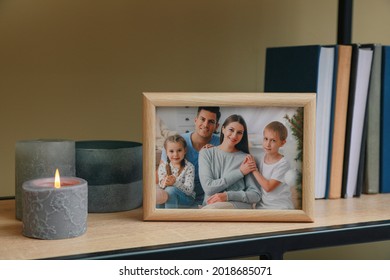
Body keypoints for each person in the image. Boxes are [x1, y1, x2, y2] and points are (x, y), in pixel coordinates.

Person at [160, 106, 221, 207]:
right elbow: (162, 172)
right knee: (165, 194)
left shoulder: (221, 143)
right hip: (179, 192)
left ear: (217, 126)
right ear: (196, 120)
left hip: (205, 196)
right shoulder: (176, 143)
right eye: (202, 119)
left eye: (211, 122)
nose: (205, 125)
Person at [199, 114, 261, 209]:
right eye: (231, 130)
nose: (234, 135)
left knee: (212, 210)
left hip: (237, 206)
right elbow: (209, 188)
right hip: (210, 206)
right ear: (223, 129)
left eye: (239, 132)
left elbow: (255, 195)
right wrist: (240, 172)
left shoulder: (246, 159)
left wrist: (227, 196)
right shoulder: (206, 153)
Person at [247, 121, 294, 209]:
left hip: (280, 207)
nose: (268, 144)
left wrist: (253, 169)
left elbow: (268, 187)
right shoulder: (259, 158)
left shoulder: (283, 164)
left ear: (282, 143)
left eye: (273, 140)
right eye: (265, 139)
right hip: (262, 206)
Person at [157, 135, 195, 208]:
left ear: (185, 150)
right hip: (168, 195)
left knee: (170, 190)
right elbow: (161, 184)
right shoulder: (163, 166)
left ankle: (170, 217)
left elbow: (189, 191)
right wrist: (165, 181)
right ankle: (157, 216)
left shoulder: (189, 167)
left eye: (179, 150)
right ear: (166, 152)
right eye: (171, 151)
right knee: (159, 193)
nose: (175, 154)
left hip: (187, 199)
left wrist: (175, 183)